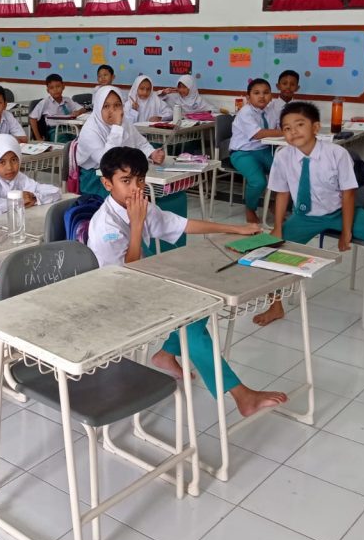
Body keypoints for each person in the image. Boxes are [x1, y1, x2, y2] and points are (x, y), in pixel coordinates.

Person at [87, 147, 285, 415]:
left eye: (140, 180)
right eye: (126, 181)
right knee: (190, 325)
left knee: (203, 300)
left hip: (142, 283)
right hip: (116, 297)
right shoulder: (106, 226)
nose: (136, 188)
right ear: (107, 183)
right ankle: (241, 395)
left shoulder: (137, 206)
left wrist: (236, 228)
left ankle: (167, 354)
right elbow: (125, 275)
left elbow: (181, 225)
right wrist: (137, 225)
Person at [257, 101, 364, 331]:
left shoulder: (336, 154)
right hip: (305, 216)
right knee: (270, 250)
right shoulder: (283, 156)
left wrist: (346, 231)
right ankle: (275, 305)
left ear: (315, 127)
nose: (293, 132)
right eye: (287, 128)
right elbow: (282, 193)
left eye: (299, 125)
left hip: (341, 212)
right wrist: (278, 226)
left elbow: (348, 194)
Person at [76, 86, 163, 198]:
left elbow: (140, 143)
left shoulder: (125, 122)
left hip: (124, 172)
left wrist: (152, 153)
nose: (112, 111)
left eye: (117, 105)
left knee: (151, 194)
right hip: (96, 177)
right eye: (106, 106)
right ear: (98, 108)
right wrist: (116, 127)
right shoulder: (90, 130)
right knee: (131, 197)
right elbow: (106, 161)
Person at [230, 78, 284, 223]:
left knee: (288, 172)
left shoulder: (272, 110)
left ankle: (275, 204)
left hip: (264, 149)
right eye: (257, 93)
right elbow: (258, 134)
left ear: (271, 96)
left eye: (266, 93)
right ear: (248, 97)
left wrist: (286, 129)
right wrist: (285, 132)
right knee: (258, 182)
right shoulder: (245, 112)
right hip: (242, 152)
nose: (262, 96)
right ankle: (250, 208)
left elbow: (279, 127)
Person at [0, 134, 61, 215]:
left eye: (14, 160)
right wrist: (15, 201)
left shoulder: (18, 177)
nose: (9, 167)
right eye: (2, 162)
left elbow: (56, 192)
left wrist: (34, 198)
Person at [29, 73, 87, 142]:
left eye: (58, 86)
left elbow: (83, 109)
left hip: (71, 128)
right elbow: (32, 119)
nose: (55, 90)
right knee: (65, 143)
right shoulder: (45, 102)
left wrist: (78, 112)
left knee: (81, 141)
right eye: (51, 88)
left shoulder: (68, 100)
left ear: (63, 87)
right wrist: (38, 138)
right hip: (55, 130)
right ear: (48, 90)